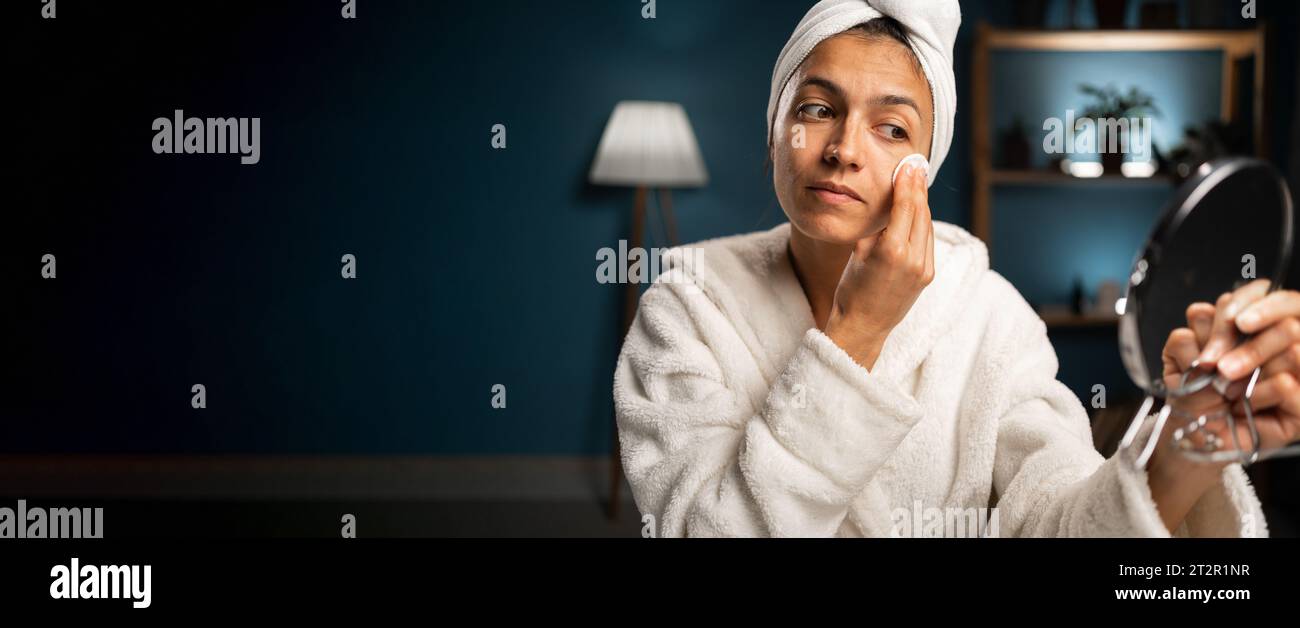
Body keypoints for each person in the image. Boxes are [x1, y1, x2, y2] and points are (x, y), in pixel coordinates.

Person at [612, 0, 1297, 537]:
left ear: (928, 167)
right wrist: (857, 335)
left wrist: (1182, 448)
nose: (845, 149)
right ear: (775, 133)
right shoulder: (688, 309)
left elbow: (1056, 523)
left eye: (892, 128)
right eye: (817, 110)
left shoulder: (990, 316)